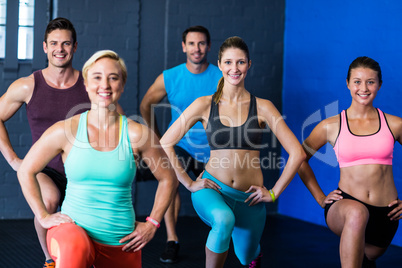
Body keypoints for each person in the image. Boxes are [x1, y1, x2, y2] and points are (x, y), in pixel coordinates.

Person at [17, 50, 177, 268]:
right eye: (97, 77)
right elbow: (26, 170)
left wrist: (152, 223)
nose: (106, 85)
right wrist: (43, 216)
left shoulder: (138, 134)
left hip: (120, 239)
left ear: (122, 83)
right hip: (71, 232)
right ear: (86, 83)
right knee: (75, 248)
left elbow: (168, 178)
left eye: (113, 77)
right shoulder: (66, 130)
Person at [160, 36, 306, 268]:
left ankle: (254, 253)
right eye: (228, 62)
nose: (234, 68)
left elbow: (297, 153)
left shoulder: (264, 107)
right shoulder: (204, 104)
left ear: (249, 64)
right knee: (223, 219)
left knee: (246, 256)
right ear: (219, 65)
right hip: (213, 189)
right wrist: (188, 183)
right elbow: (165, 142)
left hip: (249, 199)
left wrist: (274, 193)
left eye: (240, 62)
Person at [0, 17, 110, 268]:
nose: (60, 49)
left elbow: (116, 121)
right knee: (49, 201)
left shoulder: (89, 84)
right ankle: (49, 258)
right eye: (54, 43)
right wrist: (14, 160)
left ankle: (87, 256)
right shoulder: (28, 85)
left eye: (66, 43)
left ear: (75, 47)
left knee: (86, 220)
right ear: (44, 47)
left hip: (82, 167)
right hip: (44, 168)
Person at [298, 56, 402, 267]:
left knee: (368, 257)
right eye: (357, 81)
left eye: (370, 82)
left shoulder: (395, 124)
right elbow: (299, 159)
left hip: (386, 214)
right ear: (347, 83)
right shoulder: (330, 125)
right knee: (357, 213)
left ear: (379, 85)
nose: (363, 88)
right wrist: (320, 197)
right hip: (345, 207)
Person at [140, 25, 222, 263]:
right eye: (192, 44)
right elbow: (146, 104)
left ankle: (225, 238)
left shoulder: (221, 76)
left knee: (223, 189)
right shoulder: (170, 77)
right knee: (171, 180)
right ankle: (172, 240)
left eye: (202, 43)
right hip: (182, 145)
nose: (197, 49)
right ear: (184, 47)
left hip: (213, 148)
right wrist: (155, 136)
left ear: (208, 46)